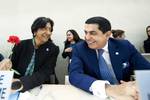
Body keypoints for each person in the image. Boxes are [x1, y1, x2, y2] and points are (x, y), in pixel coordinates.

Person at [69, 16, 150, 100]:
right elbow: (74, 75)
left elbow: (147, 70)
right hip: (96, 96)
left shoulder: (124, 46)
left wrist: (137, 84)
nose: (87, 37)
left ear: (107, 34)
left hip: (127, 96)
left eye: (93, 33)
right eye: (86, 32)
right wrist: (108, 88)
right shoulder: (80, 49)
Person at [9, 17, 59, 92]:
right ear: (35, 31)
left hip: (39, 87)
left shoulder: (53, 49)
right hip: (14, 85)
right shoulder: (21, 45)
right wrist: (7, 63)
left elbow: (45, 72)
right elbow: (12, 66)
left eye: (50, 29)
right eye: (44, 28)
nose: (48, 32)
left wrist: (22, 83)